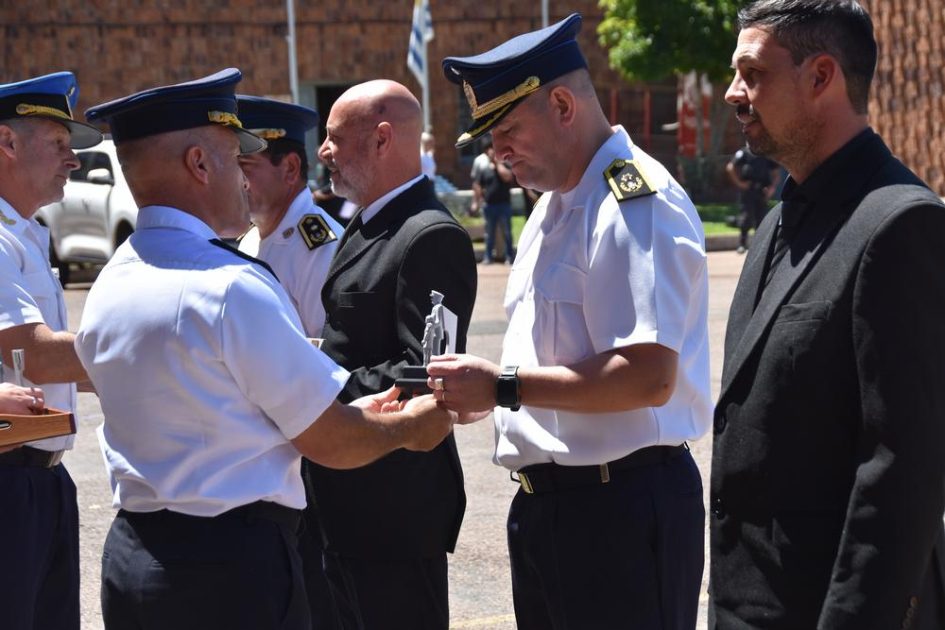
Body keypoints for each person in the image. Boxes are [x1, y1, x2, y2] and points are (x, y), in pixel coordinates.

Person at [76, 69, 456, 630]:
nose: (244, 180)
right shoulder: (230, 286)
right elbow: (329, 439)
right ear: (199, 164)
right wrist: (409, 428)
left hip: (134, 559)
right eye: (236, 159)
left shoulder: (112, 279)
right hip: (229, 570)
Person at [429, 14, 711, 629]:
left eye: (508, 129)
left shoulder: (633, 202)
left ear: (562, 105)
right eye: (491, 137)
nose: (498, 152)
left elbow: (647, 376)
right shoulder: (552, 209)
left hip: (619, 510)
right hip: (552, 509)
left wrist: (503, 387)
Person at [711, 1, 945, 628]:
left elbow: (902, 473)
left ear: (821, 77)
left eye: (753, 73)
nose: (733, 92)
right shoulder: (775, 224)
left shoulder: (899, 224)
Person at [309, 79, 477, 630]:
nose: (324, 152)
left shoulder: (428, 235)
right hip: (347, 499)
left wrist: (311, 379)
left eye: (335, 138)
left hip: (393, 508)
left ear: (381, 139)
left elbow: (427, 373)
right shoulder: (368, 220)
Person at [0, 71, 103, 630]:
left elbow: (57, 367)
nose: (73, 159)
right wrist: (171, 352)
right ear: (6, 142)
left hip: (44, 475)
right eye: (59, 142)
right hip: (10, 478)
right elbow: (36, 356)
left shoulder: (25, 234)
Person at [236, 95, 342, 337]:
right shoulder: (250, 238)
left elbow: (327, 352)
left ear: (290, 168)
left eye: (245, 165)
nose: (234, 179)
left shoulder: (319, 250)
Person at [726, 144, 779, 253]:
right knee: (746, 218)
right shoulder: (744, 153)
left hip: (762, 191)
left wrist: (772, 188)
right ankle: (742, 244)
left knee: (762, 219)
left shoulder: (766, 154)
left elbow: (776, 174)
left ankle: (759, 247)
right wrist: (739, 184)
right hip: (748, 191)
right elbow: (730, 167)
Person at [471, 140, 515, 264]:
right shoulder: (484, 168)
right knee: (489, 234)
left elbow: (508, 177)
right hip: (489, 205)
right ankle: (488, 257)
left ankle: (509, 257)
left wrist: (497, 164)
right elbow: (477, 184)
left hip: (504, 204)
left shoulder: (504, 165)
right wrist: (477, 200)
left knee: (507, 233)